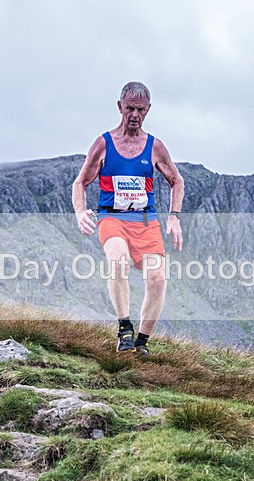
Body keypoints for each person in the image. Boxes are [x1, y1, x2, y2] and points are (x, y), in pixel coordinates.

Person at [71, 81, 184, 356]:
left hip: (146, 221)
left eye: (141, 110)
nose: (135, 115)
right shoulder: (104, 144)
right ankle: (124, 328)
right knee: (118, 260)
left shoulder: (154, 146)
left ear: (148, 111)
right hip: (112, 218)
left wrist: (174, 217)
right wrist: (80, 212)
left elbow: (176, 181)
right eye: (130, 108)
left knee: (157, 278)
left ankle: (142, 342)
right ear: (120, 107)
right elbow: (80, 183)